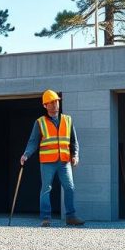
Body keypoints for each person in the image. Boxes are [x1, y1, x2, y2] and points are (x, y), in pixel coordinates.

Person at [20, 89, 85, 227]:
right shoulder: (40, 122)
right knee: (46, 189)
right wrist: (26, 154)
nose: (55, 104)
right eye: (51, 102)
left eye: (56, 101)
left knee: (70, 187)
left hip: (64, 161)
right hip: (47, 162)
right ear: (45, 105)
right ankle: (46, 218)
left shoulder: (68, 120)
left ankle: (71, 217)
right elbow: (33, 141)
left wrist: (75, 155)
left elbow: (74, 141)